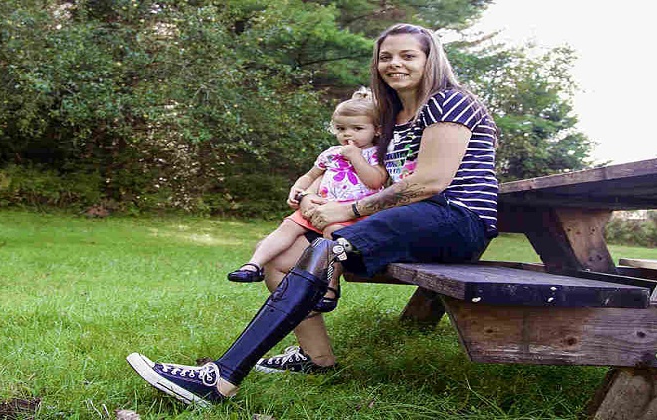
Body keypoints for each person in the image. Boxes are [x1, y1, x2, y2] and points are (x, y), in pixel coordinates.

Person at [126, 23, 498, 407]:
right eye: (385, 56)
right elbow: (371, 177)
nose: (395, 64)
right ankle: (316, 359)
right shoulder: (392, 116)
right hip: (408, 220)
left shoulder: (449, 101)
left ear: (430, 59)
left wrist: (350, 209)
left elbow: (431, 181)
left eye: (408, 55)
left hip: (456, 218)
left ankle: (221, 379)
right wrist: (314, 195)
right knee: (281, 260)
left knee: (328, 248)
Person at [227, 88, 387, 313]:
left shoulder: (377, 154)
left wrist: (356, 158)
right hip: (319, 208)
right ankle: (254, 265)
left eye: (357, 129)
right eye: (341, 129)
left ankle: (331, 285)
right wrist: (298, 188)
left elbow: (375, 181)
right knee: (288, 225)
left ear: (377, 130)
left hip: (353, 215)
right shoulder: (331, 153)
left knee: (334, 237)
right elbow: (310, 176)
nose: (347, 135)